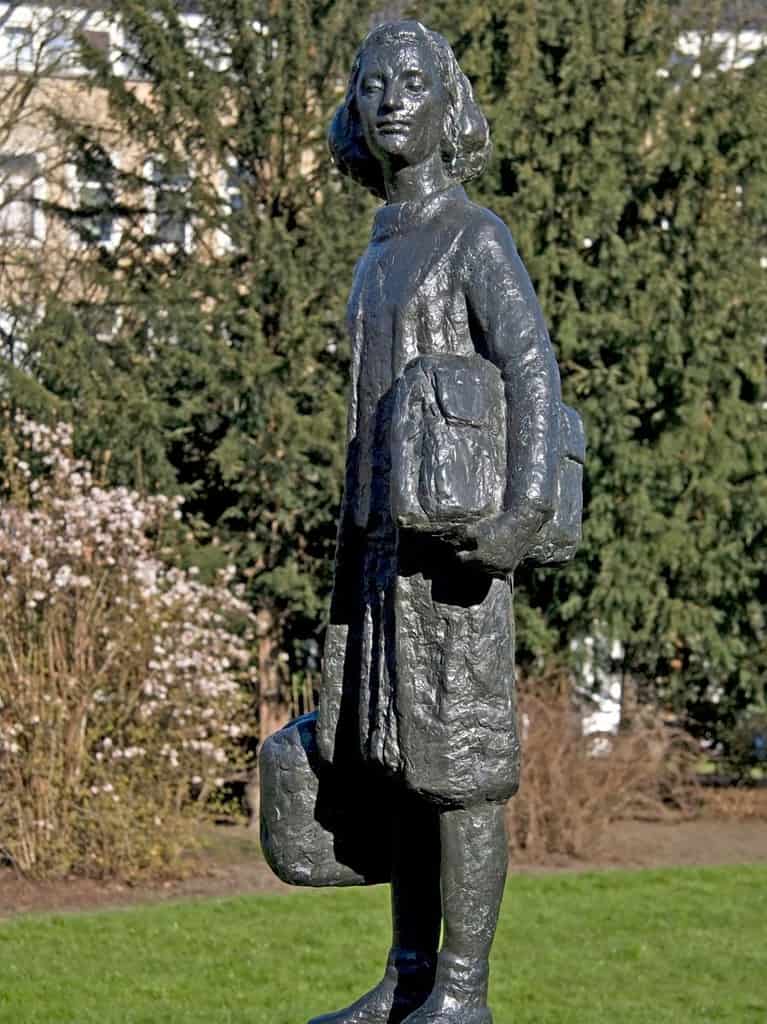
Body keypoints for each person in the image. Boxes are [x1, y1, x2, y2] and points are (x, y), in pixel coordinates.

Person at [314, 20, 562, 1024]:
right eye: (371, 85)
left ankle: (461, 991)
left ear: (448, 102)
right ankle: (409, 972)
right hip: (377, 553)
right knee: (399, 767)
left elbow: (531, 371)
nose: (389, 100)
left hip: (451, 553)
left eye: (413, 82)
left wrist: (517, 517)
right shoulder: (380, 244)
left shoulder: (474, 234)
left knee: (461, 775)